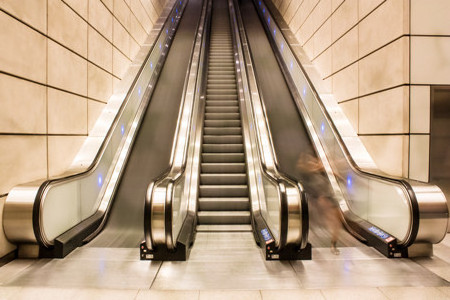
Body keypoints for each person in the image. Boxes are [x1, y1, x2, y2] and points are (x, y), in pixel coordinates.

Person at [297, 153, 342, 255]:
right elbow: (306, 168)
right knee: (331, 219)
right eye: (310, 160)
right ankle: (307, 240)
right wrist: (320, 167)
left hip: (328, 195)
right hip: (319, 196)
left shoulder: (319, 167)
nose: (313, 161)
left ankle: (333, 244)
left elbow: (329, 171)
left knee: (336, 221)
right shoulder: (305, 168)